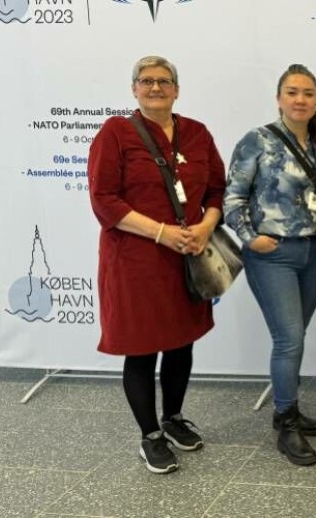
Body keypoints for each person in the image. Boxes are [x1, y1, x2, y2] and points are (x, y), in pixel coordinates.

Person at [88, 56, 226, 474]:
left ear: (177, 90)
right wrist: (162, 232)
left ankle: (174, 417)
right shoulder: (115, 133)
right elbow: (104, 201)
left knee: (182, 341)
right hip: (135, 262)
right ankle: (150, 435)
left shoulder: (197, 133)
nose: (155, 87)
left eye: (164, 81)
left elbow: (218, 189)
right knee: (143, 349)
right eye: (146, 81)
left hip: (187, 256)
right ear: (134, 89)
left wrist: (205, 226)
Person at [224, 64, 316, 467]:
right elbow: (232, 196)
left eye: (308, 93)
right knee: (289, 338)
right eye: (292, 92)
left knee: (296, 336)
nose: (301, 99)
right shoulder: (257, 140)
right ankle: (285, 421)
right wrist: (249, 236)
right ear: (279, 98)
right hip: (272, 254)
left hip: (313, 253)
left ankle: (287, 407)